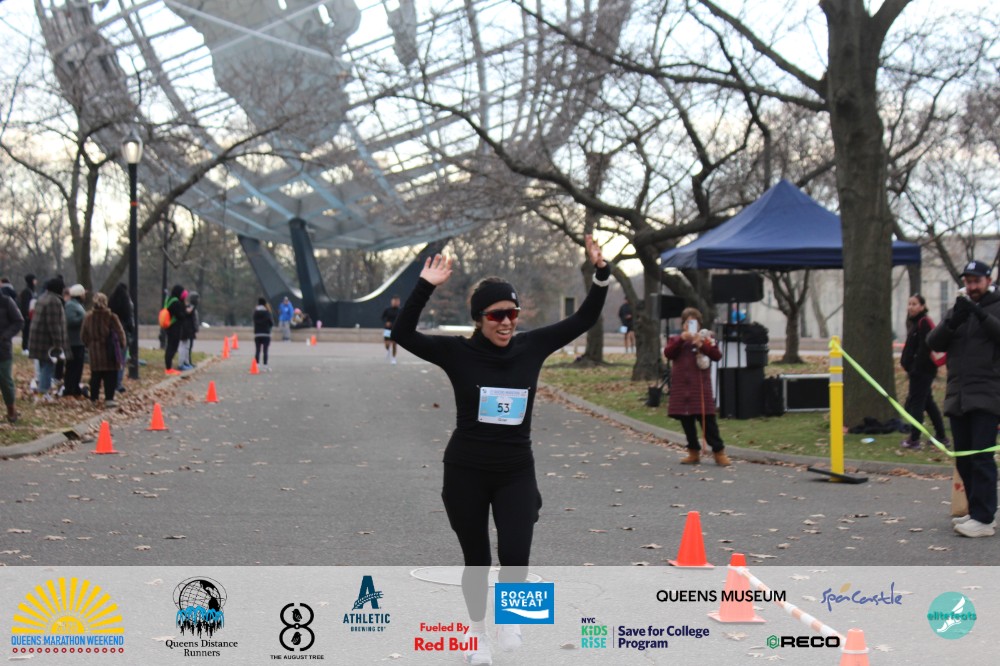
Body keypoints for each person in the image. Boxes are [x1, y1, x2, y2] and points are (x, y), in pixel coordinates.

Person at [392, 235, 609, 665]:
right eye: (497, 315)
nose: (507, 322)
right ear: (479, 319)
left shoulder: (532, 346)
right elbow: (402, 333)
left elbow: (585, 317)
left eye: (513, 313)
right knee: (477, 559)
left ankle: (511, 621)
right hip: (466, 471)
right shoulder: (457, 352)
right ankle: (477, 636)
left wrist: (601, 273)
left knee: (515, 553)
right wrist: (425, 285)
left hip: (515, 471)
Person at [927, 260, 1000, 538]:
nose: (972, 287)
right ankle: (974, 509)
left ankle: (985, 518)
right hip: (958, 396)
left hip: (988, 394)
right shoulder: (959, 309)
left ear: (988, 281)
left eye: (976, 281)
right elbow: (933, 342)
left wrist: (980, 315)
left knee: (981, 457)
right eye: (968, 282)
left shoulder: (996, 306)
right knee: (963, 459)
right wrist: (953, 320)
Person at [664, 307, 730, 466]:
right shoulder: (675, 339)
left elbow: (716, 355)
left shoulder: (706, 339)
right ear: (683, 324)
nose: (690, 326)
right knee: (686, 421)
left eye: (693, 322)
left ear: (699, 324)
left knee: (708, 421)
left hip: (700, 388)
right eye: (687, 322)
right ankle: (693, 452)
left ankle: (719, 452)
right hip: (681, 388)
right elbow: (668, 353)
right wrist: (682, 339)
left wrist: (701, 344)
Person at [899, 294, 948, 450]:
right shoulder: (914, 323)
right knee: (928, 403)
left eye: (914, 304)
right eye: (909, 304)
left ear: (922, 306)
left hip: (922, 371)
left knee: (917, 403)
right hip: (918, 371)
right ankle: (941, 436)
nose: (911, 307)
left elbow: (925, 347)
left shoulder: (924, 322)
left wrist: (915, 368)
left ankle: (914, 438)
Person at [81, 292, 127, 409]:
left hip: (94, 351)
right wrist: (122, 344)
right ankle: (109, 399)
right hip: (109, 351)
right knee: (110, 376)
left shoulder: (88, 317)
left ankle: (94, 399)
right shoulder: (111, 317)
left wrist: (89, 344)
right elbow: (120, 332)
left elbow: (83, 335)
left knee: (95, 376)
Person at [27, 277, 67, 402]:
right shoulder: (54, 301)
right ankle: (43, 392)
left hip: (37, 337)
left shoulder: (42, 298)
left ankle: (42, 391)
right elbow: (53, 324)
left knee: (43, 364)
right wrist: (58, 343)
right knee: (48, 366)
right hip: (46, 340)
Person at [0, 289, 24, 423]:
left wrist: (5, 336)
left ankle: (11, 408)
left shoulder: (6, 302)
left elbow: (18, 321)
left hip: (2, 349)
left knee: (5, 380)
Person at [62, 284, 88, 399]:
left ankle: (75, 387)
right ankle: (70, 388)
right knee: (72, 366)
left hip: (79, 341)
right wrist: (84, 318)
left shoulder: (77, 305)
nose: (84, 296)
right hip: (73, 342)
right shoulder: (71, 305)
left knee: (78, 367)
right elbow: (70, 321)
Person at [108, 283, 134, 393]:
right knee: (121, 359)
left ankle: (111, 382)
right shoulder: (127, 304)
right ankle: (118, 383)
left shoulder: (111, 302)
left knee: (112, 360)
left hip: (111, 333)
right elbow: (130, 321)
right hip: (122, 334)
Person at [163, 285, 186, 375]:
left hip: (169, 327)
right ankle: (168, 368)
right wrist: (185, 309)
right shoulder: (176, 302)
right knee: (172, 347)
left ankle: (169, 367)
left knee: (170, 346)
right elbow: (181, 315)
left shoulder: (169, 300)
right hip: (174, 327)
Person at [177, 290, 198, 371]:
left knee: (187, 346)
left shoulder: (187, 306)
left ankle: (186, 362)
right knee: (183, 346)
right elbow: (187, 313)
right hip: (185, 329)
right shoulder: (185, 306)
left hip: (188, 329)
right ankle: (181, 364)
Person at [252, 297, 273, 371]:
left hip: (257, 333)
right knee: (265, 350)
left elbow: (254, 321)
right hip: (266, 333)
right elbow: (271, 323)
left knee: (257, 350)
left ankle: (257, 365)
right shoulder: (267, 312)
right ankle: (265, 365)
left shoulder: (255, 312)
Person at [18, 274, 37, 353]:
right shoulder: (26, 291)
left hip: (31, 315)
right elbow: (25, 305)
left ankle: (28, 347)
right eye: (34, 279)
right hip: (27, 316)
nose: (36, 281)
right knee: (26, 332)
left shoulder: (31, 291)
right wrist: (26, 315)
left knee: (29, 332)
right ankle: (25, 348)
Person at [381, 295, 401, 364]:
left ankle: (393, 358)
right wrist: (386, 322)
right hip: (387, 329)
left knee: (394, 344)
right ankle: (388, 350)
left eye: (397, 301)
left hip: (396, 330)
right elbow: (382, 317)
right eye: (394, 301)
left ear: (399, 302)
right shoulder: (387, 309)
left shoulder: (400, 310)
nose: (395, 302)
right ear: (391, 301)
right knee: (387, 344)